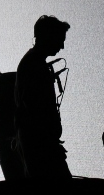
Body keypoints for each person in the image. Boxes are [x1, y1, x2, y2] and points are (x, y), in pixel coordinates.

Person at [13, 15, 72, 180]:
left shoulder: (32, 63)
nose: (61, 46)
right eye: (59, 40)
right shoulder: (34, 66)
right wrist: (49, 140)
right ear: (48, 36)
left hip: (40, 143)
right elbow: (36, 110)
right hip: (40, 146)